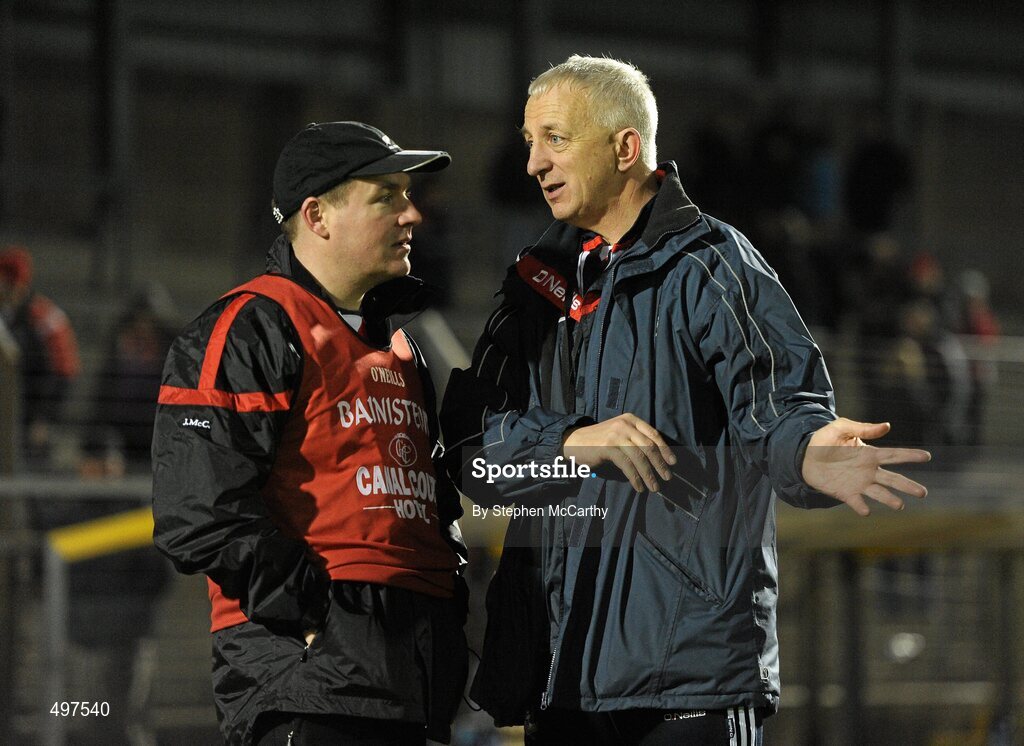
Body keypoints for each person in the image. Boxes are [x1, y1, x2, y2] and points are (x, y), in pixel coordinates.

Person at [441, 56, 930, 745]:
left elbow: (780, 405)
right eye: (528, 142)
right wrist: (569, 443)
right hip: (560, 677)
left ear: (625, 147)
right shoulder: (533, 287)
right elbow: (470, 450)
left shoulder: (715, 264)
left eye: (554, 138)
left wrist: (808, 449)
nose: (532, 163)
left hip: (690, 681)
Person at [152, 121, 468, 745]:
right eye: (387, 196)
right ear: (317, 215)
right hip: (310, 687)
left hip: (405, 687)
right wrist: (319, 612)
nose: (412, 216)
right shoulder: (250, 326)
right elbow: (198, 513)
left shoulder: (401, 347)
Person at [0, 244, 81, 467]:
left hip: (41, 403)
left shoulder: (38, 318)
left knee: (35, 462)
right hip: (24, 404)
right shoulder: (17, 314)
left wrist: (42, 418)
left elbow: (55, 371)